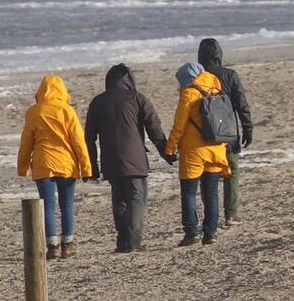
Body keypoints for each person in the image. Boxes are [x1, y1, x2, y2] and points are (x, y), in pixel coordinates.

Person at [85, 64, 170, 253]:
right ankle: (133, 242)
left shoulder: (98, 102)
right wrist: (166, 152)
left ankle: (122, 242)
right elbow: (154, 128)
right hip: (135, 161)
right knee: (136, 199)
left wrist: (91, 166)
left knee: (119, 200)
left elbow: (89, 137)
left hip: (110, 160)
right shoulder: (138, 99)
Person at [17, 75, 93, 260]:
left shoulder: (34, 112)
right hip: (66, 164)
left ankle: (52, 246)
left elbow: (26, 142)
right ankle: (68, 244)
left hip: (43, 164)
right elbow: (78, 142)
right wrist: (86, 167)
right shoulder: (67, 111)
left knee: (47, 206)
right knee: (66, 204)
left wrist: (22, 166)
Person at [162, 61, 230, 246]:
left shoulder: (189, 94)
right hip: (216, 147)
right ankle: (211, 233)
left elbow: (179, 125)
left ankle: (191, 232)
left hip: (194, 151)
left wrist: (170, 148)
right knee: (211, 194)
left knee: (189, 193)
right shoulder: (216, 88)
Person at [196, 38, 254, 227]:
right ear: (219, 55)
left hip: (205, 133)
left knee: (208, 175)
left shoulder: (197, 78)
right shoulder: (230, 75)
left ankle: (210, 218)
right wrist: (247, 127)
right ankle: (231, 214)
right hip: (228, 132)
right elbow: (241, 104)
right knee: (232, 172)